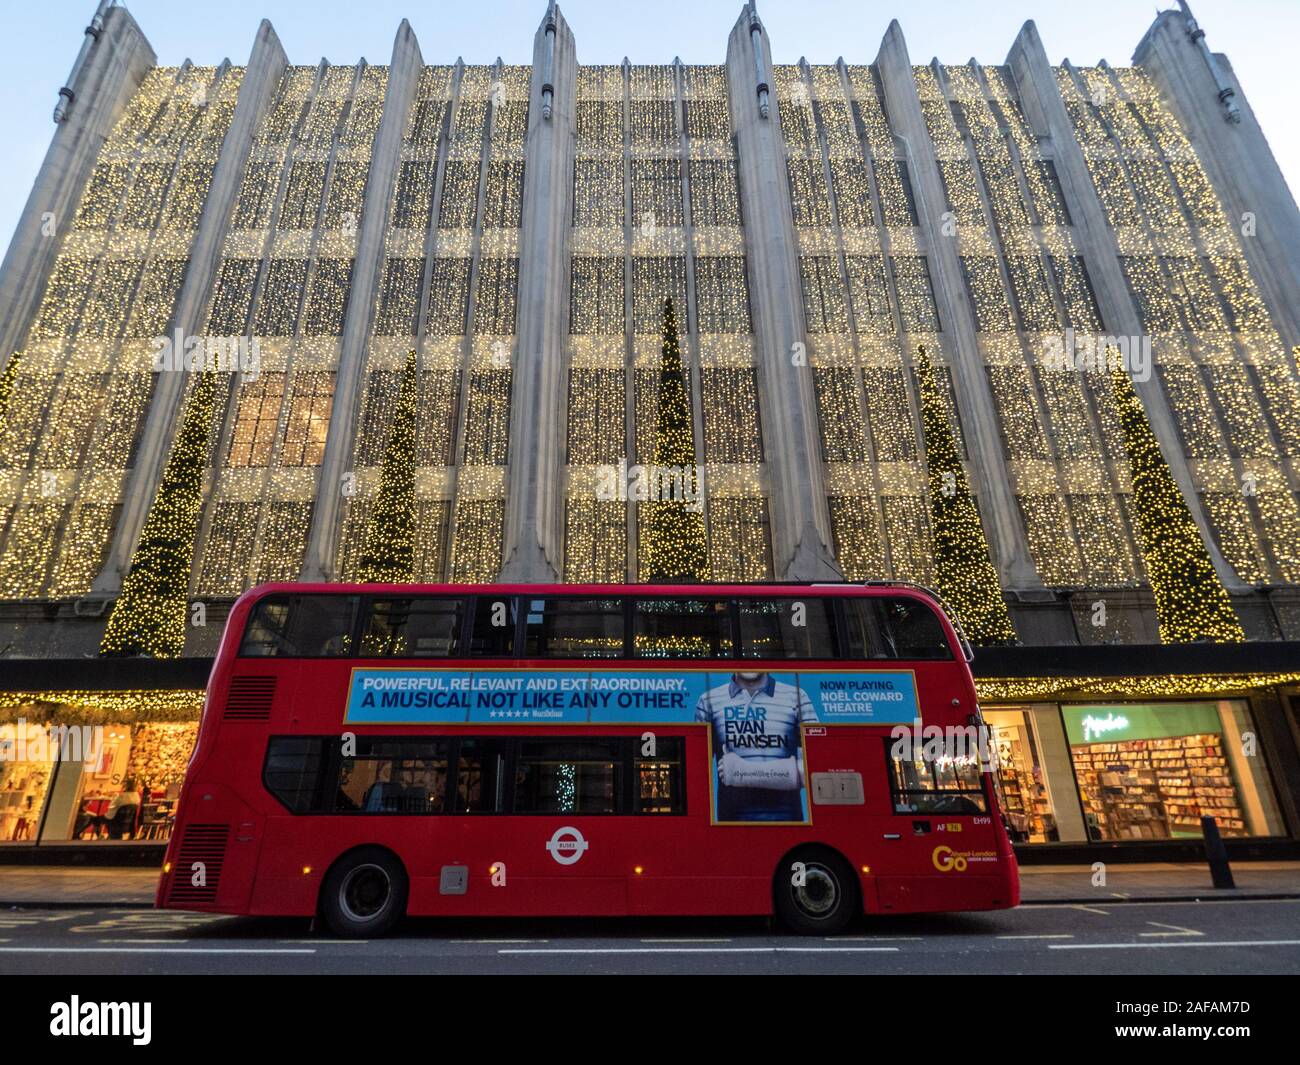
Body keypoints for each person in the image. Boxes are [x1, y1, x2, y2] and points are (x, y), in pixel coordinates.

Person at [695, 672, 817, 822]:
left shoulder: (797, 696)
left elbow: (816, 766)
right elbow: (696, 771)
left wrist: (741, 771)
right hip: (731, 826)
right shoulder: (708, 701)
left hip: (788, 824)